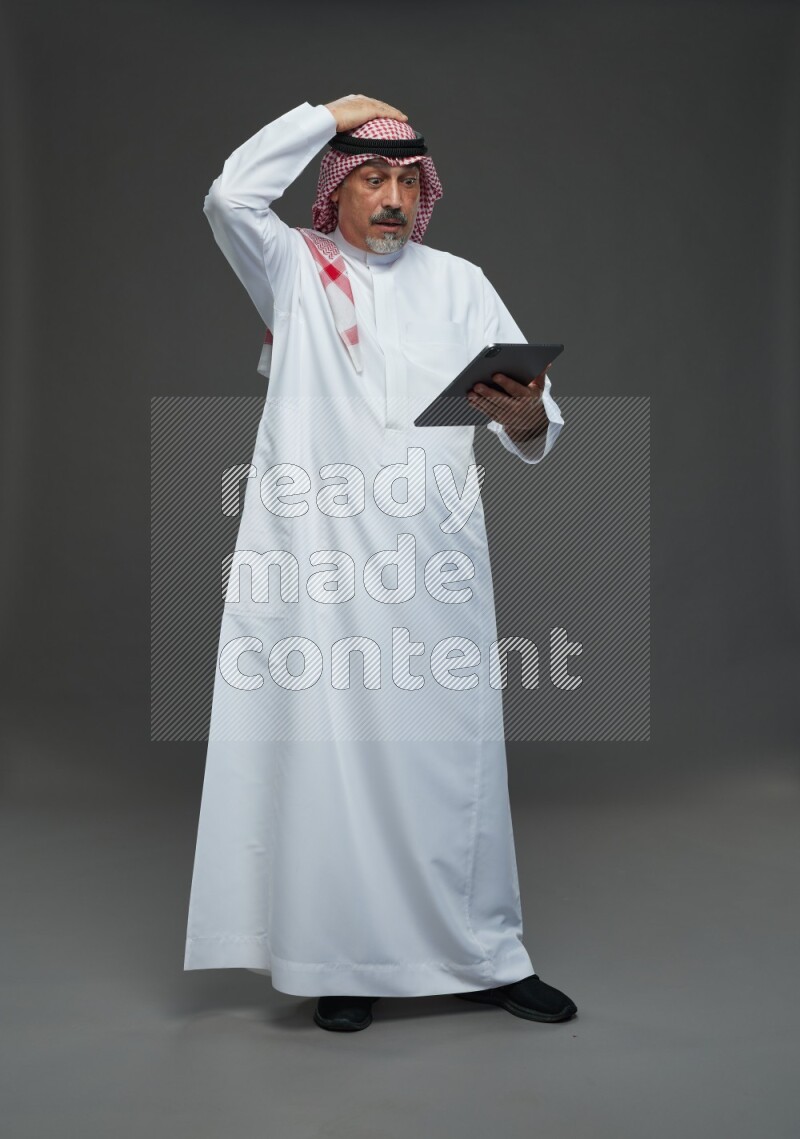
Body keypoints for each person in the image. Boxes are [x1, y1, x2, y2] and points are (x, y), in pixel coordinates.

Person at [184, 94, 577, 1033]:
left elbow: (537, 417)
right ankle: (342, 956)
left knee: (454, 762)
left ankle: (484, 951)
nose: (393, 198)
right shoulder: (293, 268)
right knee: (332, 761)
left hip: (433, 559)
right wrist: (327, 113)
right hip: (321, 570)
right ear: (336, 190)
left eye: (407, 181)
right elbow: (230, 196)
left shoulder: (462, 281)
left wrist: (526, 416)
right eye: (372, 179)